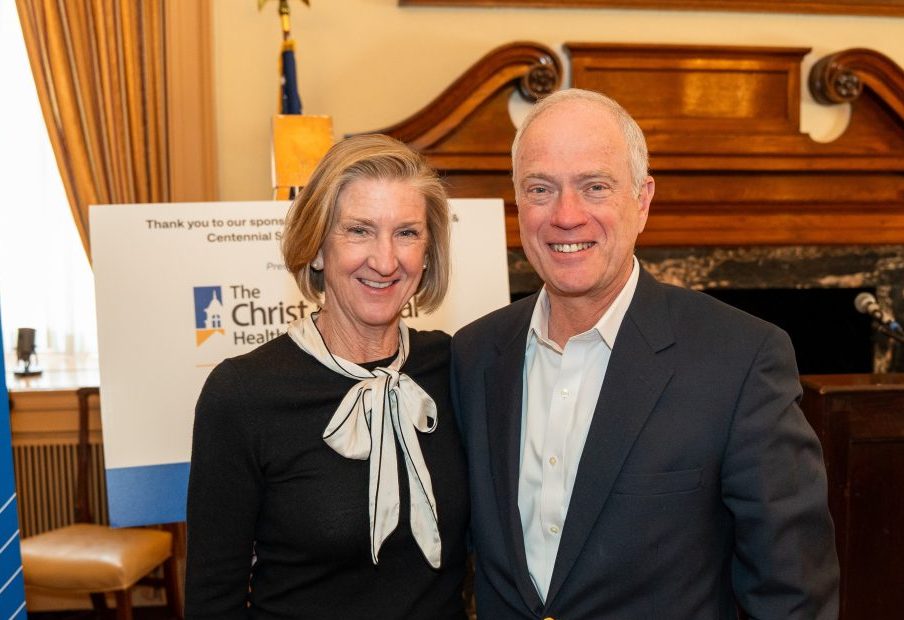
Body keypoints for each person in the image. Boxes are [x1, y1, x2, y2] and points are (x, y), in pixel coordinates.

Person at [450, 89, 840, 619]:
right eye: (541, 189)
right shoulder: (473, 356)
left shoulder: (740, 360)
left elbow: (792, 591)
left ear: (642, 200)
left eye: (595, 186)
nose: (566, 215)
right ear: (517, 202)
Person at [185, 134, 469, 619]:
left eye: (407, 233)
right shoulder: (243, 394)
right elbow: (214, 600)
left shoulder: (455, 367)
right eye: (359, 231)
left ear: (428, 254)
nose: (385, 260)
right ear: (316, 249)